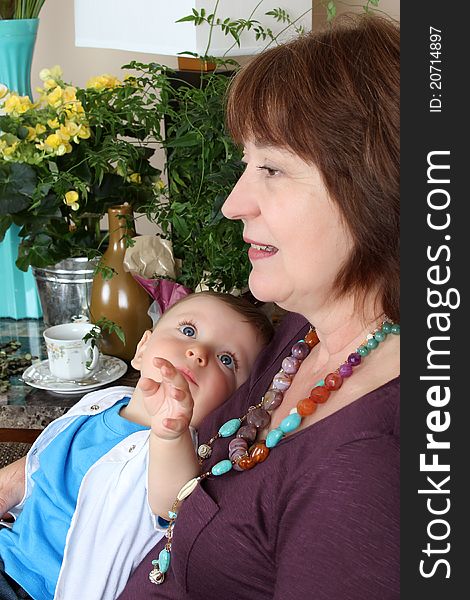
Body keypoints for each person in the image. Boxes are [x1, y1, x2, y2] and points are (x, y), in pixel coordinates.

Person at [118, 13, 400, 600]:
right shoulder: (307, 330)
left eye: (270, 168)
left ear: (377, 187)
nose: (232, 203)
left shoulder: (371, 469)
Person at [0, 291, 274, 600]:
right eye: (188, 331)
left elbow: (172, 502)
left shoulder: (175, 451)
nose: (199, 352)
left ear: (229, 405)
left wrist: (170, 433)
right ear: (143, 349)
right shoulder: (103, 402)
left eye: (227, 360)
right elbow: (40, 469)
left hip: (41, 590)